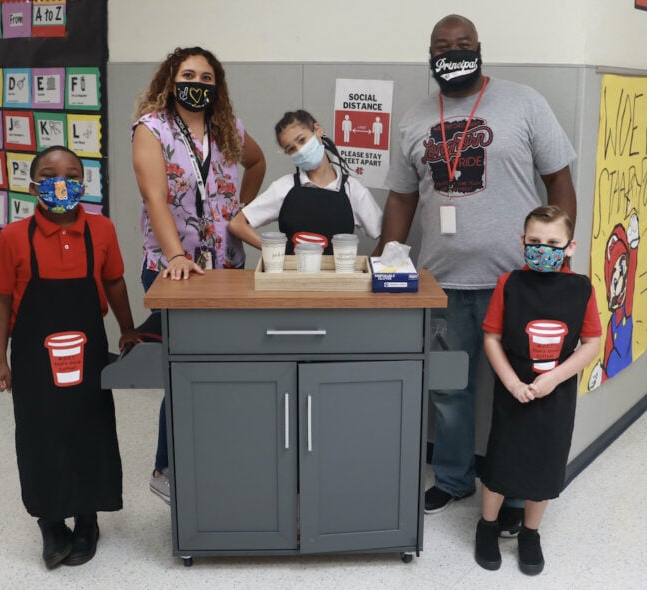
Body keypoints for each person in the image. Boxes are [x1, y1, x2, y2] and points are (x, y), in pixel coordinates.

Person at [375, 14, 578, 534]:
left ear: (479, 48)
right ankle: (452, 477)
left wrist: (560, 257)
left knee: (523, 391)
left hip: (521, 285)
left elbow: (559, 180)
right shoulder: (416, 117)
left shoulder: (524, 102)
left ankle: (515, 485)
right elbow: (400, 197)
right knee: (449, 391)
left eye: (462, 43)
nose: (453, 51)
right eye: (442, 45)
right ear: (430, 54)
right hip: (443, 283)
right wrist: (385, 257)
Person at [0, 145, 140, 568]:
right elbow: (1, 300)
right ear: (33, 184)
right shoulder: (14, 237)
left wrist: (128, 329)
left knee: (89, 430)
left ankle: (88, 520)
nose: (62, 182)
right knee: (40, 435)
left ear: (84, 183)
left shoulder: (102, 230)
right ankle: (51, 522)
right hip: (35, 358)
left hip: (88, 354)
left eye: (72, 174)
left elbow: (114, 283)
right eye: (50, 174)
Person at [132, 46, 265, 503]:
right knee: (185, 370)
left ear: (217, 85)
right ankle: (165, 467)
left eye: (207, 77)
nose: (198, 83)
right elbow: (155, 198)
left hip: (227, 267)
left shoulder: (228, 128)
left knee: (227, 369)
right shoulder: (152, 129)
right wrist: (175, 255)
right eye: (189, 74)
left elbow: (258, 162)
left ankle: (218, 456)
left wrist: (239, 210)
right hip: (176, 272)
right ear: (171, 79)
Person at [474, 205, 601, 575]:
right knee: (502, 456)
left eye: (552, 243)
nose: (542, 248)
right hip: (513, 388)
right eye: (534, 242)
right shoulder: (509, 284)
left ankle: (530, 533)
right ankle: (487, 526)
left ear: (570, 246)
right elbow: (492, 337)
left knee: (546, 460)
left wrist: (554, 378)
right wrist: (512, 382)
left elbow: (592, 343)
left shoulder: (581, 289)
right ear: (522, 242)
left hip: (556, 392)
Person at [229, 109, 382, 254]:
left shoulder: (352, 190)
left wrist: (370, 271)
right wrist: (276, 252)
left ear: (318, 130)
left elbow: (387, 235)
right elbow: (237, 224)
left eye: (302, 140)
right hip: (292, 278)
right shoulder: (284, 188)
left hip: (337, 279)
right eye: (291, 149)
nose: (300, 150)